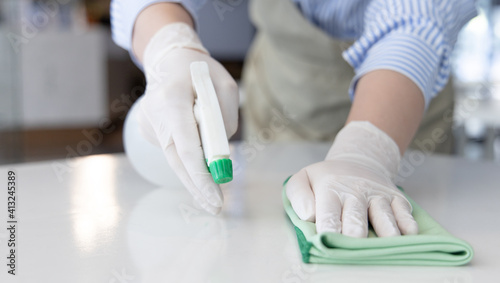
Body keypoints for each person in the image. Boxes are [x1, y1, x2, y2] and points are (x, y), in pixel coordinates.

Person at [110, 0, 477, 238]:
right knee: (276, 241)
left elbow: (415, 26)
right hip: (284, 94)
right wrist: (170, 46)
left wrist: (366, 153)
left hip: (401, 106)